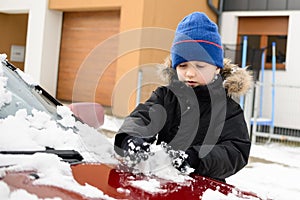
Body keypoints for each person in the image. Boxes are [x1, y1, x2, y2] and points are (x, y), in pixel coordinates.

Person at [114, 12, 252, 182]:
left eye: (200, 66)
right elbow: (142, 117)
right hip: (164, 183)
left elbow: (236, 151)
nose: (190, 73)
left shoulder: (228, 109)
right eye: (182, 65)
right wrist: (132, 138)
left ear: (217, 68)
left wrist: (196, 158)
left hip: (205, 188)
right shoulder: (165, 97)